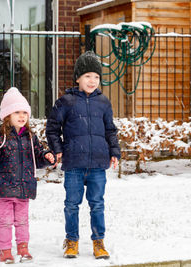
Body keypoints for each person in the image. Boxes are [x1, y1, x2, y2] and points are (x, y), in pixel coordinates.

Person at [46, 51, 121, 260]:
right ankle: (71, 241)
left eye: (96, 77)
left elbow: (110, 130)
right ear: (78, 78)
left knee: (97, 204)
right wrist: (58, 148)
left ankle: (99, 241)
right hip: (74, 164)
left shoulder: (103, 102)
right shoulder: (66, 101)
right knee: (71, 204)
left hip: (98, 163)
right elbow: (52, 128)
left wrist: (114, 151)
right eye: (88, 76)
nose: (92, 81)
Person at [0, 87, 55, 264]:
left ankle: (23, 248)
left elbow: (37, 157)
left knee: (22, 220)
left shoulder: (30, 137)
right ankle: (5, 250)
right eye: (17, 112)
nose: (22, 116)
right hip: (3, 187)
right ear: (7, 115)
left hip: (23, 187)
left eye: (24, 113)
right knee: (5, 220)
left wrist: (47, 157)